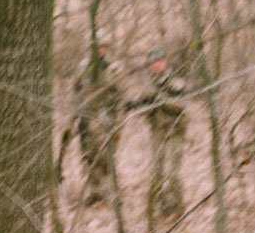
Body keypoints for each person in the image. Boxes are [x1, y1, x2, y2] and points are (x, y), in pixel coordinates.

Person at [126, 48, 189, 219]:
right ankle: (160, 208)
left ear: (165, 62)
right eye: (154, 62)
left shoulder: (175, 81)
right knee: (157, 173)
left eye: (160, 61)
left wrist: (161, 100)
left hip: (174, 132)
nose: (157, 65)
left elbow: (181, 106)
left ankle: (177, 209)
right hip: (157, 134)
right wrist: (134, 105)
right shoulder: (150, 84)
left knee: (172, 174)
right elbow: (144, 104)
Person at [71, 41, 126, 207]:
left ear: (106, 49)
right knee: (88, 157)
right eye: (96, 47)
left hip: (105, 121)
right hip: (86, 120)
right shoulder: (83, 68)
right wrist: (76, 113)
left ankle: (112, 194)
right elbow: (76, 90)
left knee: (105, 159)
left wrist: (118, 123)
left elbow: (121, 97)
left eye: (102, 47)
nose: (99, 50)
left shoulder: (113, 69)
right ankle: (96, 193)